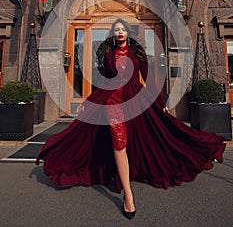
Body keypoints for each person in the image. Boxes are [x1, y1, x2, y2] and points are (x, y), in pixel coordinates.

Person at [36, 18, 226, 220]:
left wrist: (160, 101)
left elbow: (148, 78)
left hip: (136, 100)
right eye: (116, 29)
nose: (119, 32)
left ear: (128, 33)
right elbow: (106, 82)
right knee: (119, 144)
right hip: (113, 103)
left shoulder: (138, 54)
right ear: (113, 34)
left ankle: (136, 171)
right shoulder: (108, 55)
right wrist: (91, 99)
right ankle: (128, 195)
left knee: (149, 135)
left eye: (122, 29)